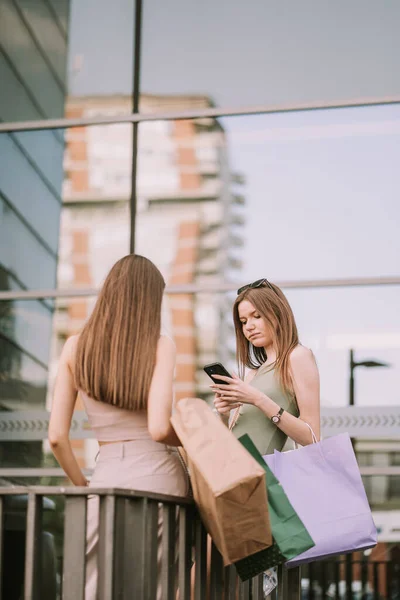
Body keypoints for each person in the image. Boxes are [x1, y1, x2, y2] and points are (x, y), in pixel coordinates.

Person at [48, 254, 189, 599]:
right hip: (159, 475)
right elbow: (158, 427)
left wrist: (84, 485)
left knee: (96, 584)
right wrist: (192, 435)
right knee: (155, 586)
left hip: (107, 476)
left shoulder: (74, 349)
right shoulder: (160, 344)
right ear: (150, 299)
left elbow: (55, 438)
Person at [211, 278, 320, 454]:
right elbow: (229, 443)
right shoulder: (251, 375)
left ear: (277, 314)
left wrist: (258, 399)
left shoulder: (297, 357)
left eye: (257, 316)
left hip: (265, 475)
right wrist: (223, 415)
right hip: (236, 470)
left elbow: (312, 437)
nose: (249, 327)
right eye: (244, 321)